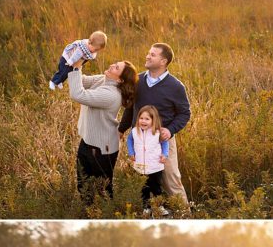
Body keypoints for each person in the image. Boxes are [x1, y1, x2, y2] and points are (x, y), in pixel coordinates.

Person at [117, 42, 191, 209]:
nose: (147, 56)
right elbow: (130, 108)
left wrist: (170, 130)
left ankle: (185, 216)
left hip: (162, 141)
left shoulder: (175, 86)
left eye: (152, 54)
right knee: (143, 180)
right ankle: (150, 215)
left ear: (163, 61)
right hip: (140, 141)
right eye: (148, 53)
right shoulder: (139, 81)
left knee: (171, 181)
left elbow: (184, 113)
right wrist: (121, 129)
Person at [65, 56, 138, 201]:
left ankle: (106, 217)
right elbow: (81, 80)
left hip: (101, 149)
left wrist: (76, 67)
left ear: (120, 80)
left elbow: (77, 94)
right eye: (115, 63)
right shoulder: (102, 79)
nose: (112, 65)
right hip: (88, 141)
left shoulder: (111, 95)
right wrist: (76, 62)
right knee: (83, 186)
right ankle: (89, 215)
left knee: (102, 190)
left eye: (116, 68)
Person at [126, 104, 169, 212]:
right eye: (141, 118)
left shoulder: (157, 132)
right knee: (143, 188)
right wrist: (131, 152)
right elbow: (129, 140)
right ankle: (146, 207)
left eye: (147, 119)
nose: (143, 121)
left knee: (156, 188)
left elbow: (165, 143)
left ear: (153, 120)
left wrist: (165, 154)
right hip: (140, 166)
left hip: (155, 166)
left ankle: (159, 206)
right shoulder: (135, 131)